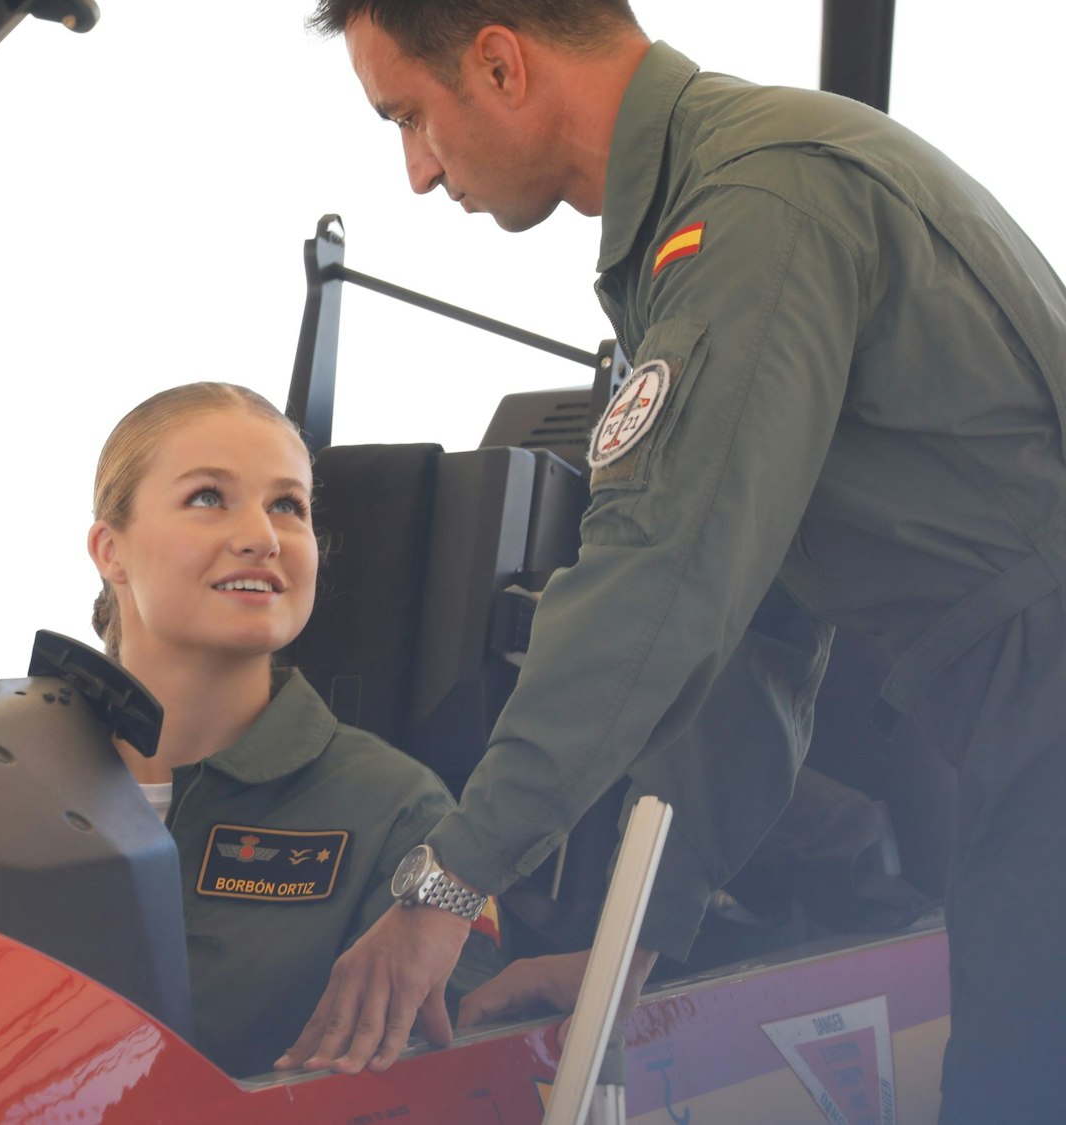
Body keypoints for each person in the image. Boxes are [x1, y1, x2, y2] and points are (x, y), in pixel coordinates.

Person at [274, 3, 1066, 1120]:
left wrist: (447, 879)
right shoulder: (722, 207)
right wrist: (631, 942)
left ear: (499, 63)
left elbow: (660, 586)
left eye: (409, 115)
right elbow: (752, 634)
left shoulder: (754, 207)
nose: (412, 171)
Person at [85, 381, 498, 1077]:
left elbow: (466, 1079)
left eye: (288, 505)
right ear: (110, 550)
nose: (261, 537)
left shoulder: (400, 814)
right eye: (208, 497)